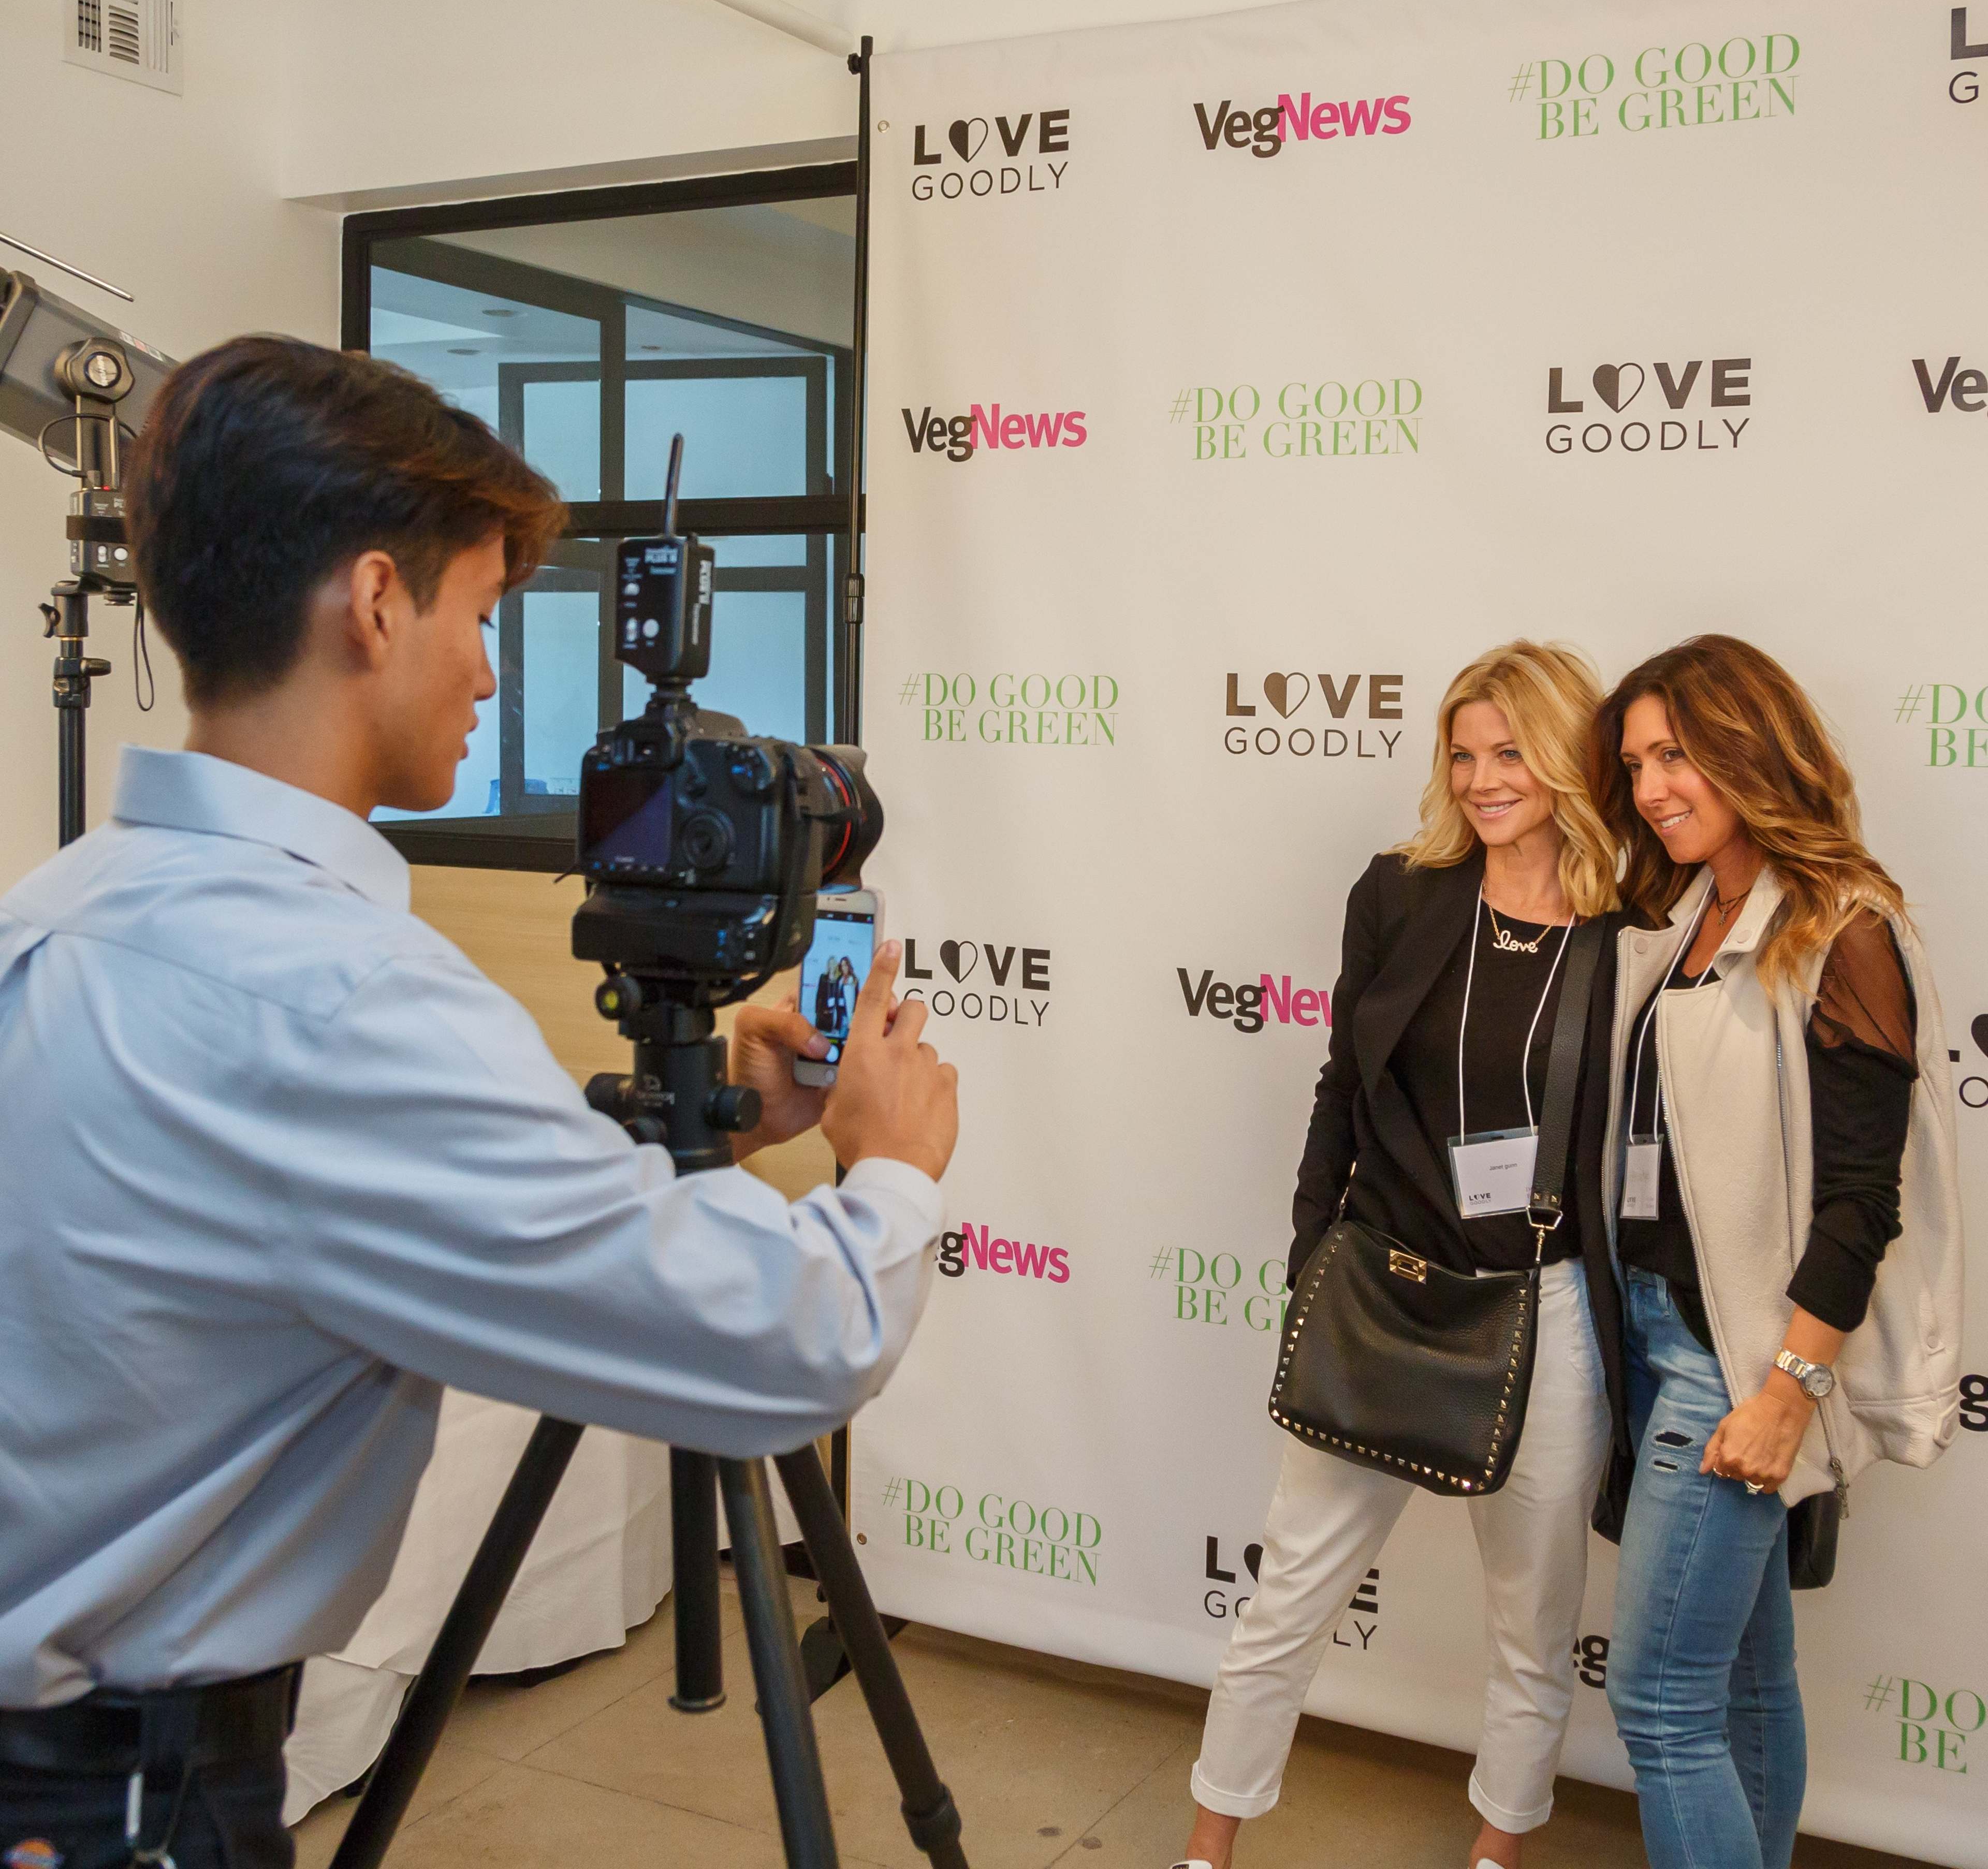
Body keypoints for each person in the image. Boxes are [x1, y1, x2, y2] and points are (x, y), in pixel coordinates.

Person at [0, 337, 959, 1869]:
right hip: (129, 1805)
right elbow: (788, 1345)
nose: (493, 675)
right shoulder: (343, 1001)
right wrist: (891, 1166)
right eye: (483, 614)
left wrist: (708, 1116)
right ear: (377, 603)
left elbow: (289, 1200)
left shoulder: (58, 913)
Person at [1176, 643, 1631, 1869]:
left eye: (1512, 753)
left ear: (1569, 758)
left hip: (1544, 1308)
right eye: (1464, 755)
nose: (1483, 781)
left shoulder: (1630, 925)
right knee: (1287, 1597)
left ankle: (1496, 1853)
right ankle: (1206, 1849)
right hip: (1382, 1286)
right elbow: (1341, 1086)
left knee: (1534, 1623)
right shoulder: (1400, 893)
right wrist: (1309, 1261)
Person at [1594, 635, 1963, 1869]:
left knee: (1659, 1700)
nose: (1652, 788)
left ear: (1752, 747)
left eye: (1677, 755)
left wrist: (1787, 1390)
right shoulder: (1686, 915)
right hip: (1656, 1332)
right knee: (1747, 1683)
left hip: (1739, 1362)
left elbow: (1862, 1202)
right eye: (1637, 763)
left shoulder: (1843, 926)